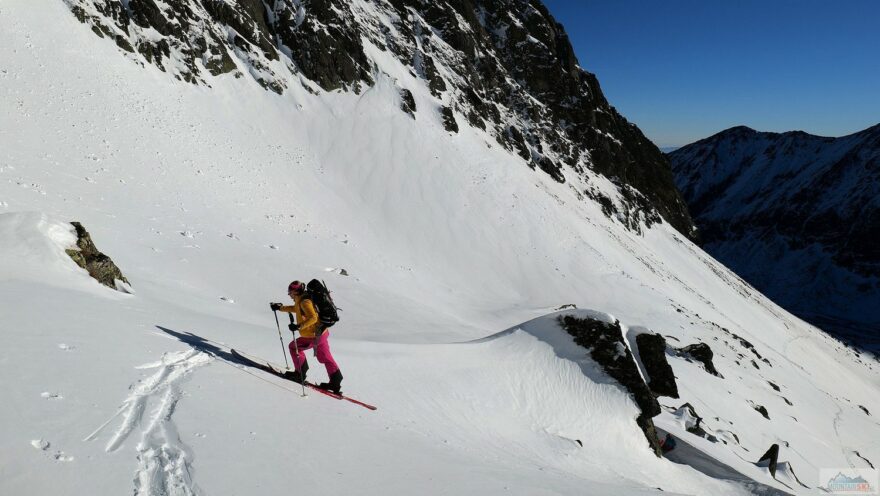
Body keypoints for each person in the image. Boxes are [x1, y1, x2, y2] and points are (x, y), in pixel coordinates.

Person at [270, 280, 343, 393]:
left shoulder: (305, 302)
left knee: (294, 347)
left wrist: (298, 326)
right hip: (322, 333)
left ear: (296, 292)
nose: (290, 295)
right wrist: (280, 308)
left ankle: (300, 373)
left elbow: (313, 318)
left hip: (313, 335)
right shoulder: (303, 298)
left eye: (290, 293)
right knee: (325, 357)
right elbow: (296, 309)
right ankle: (336, 382)